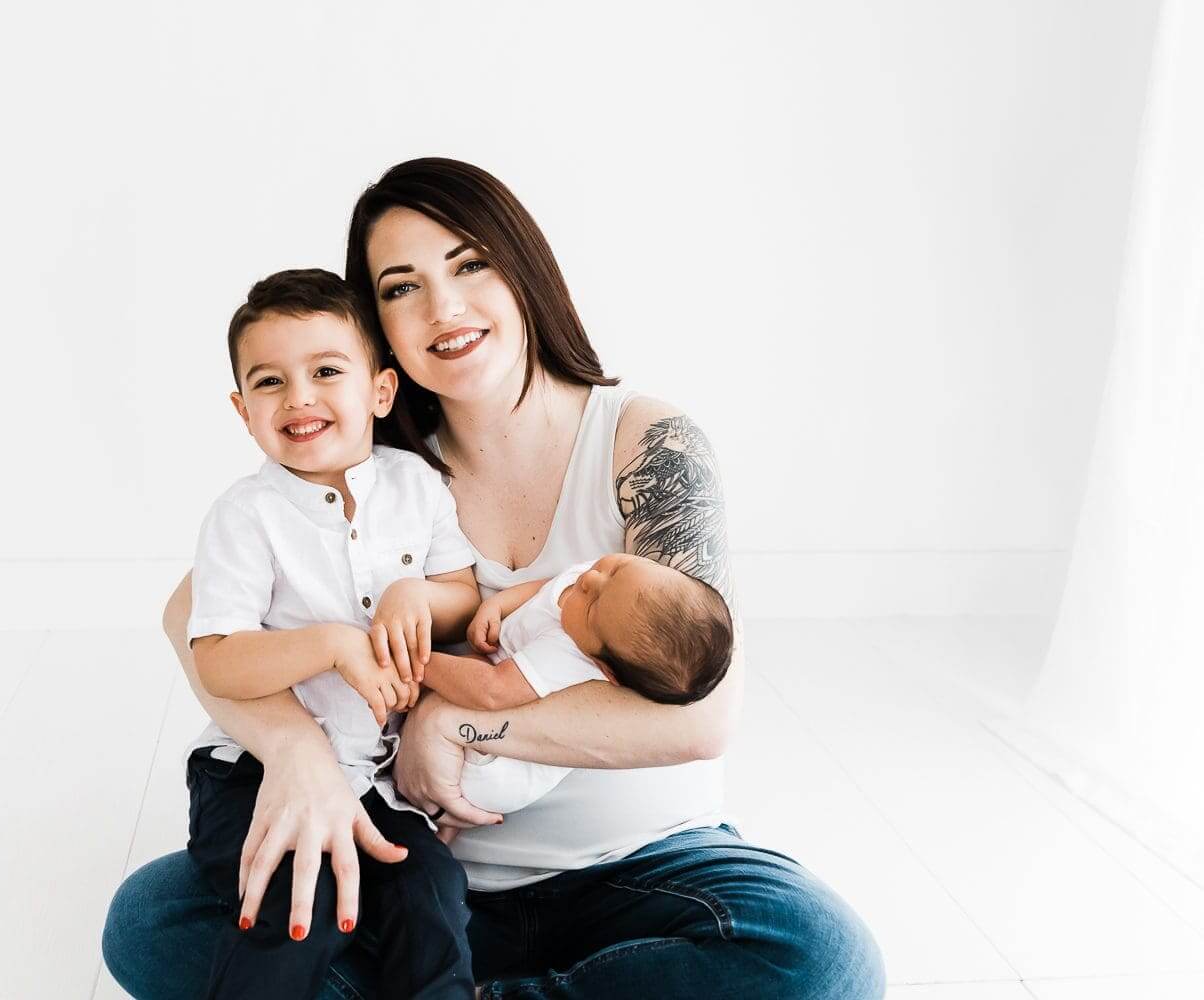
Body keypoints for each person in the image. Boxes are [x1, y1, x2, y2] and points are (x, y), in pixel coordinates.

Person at [104, 158, 886, 999]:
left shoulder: (644, 443)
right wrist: (298, 755)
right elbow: (190, 617)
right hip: (416, 871)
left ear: (523, 269)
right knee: (152, 922)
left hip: (641, 869)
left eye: (469, 264)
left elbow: (703, 717)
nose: (443, 308)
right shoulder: (372, 465)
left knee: (822, 957)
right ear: (378, 337)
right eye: (401, 287)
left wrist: (459, 726)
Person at [183, 268, 481, 998]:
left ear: (380, 391)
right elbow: (217, 660)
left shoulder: (418, 485)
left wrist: (417, 593)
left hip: (377, 781)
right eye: (270, 382)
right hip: (253, 774)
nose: (299, 397)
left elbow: (462, 598)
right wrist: (331, 642)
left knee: (432, 895)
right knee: (299, 906)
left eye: (325, 372)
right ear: (242, 410)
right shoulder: (245, 515)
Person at [418, 553, 733, 816]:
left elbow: (492, 689)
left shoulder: (566, 653)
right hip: (485, 700)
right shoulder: (606, 588)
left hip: (497, 770)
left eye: (592, 605)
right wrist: (498, 605)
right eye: (618, 569)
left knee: (471, 681)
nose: (590, 580)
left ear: (603, 667)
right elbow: (551, 588)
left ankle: (443, 815)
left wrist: (416, 664)